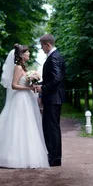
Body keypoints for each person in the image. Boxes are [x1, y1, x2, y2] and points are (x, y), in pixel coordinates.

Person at [0, 44, 49, 169]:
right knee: (18, 126)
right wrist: (29, 87)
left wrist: (33, 85)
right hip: (20, 99)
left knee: (28, 126)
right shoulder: (18, 68)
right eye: (27, 52)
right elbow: (14, 85)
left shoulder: (24, 68)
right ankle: (14, 157)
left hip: (27, 99)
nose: (29, 54)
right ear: (21, 55)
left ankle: (27, 155)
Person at [35, 34, 66, 167]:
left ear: (48, 44)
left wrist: (43, 88)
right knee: (51, 128)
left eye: (42, 46)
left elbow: (57, 79)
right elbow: (53, 79)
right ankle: (54, 157)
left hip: (53, 98)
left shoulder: (53, 58)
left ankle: (54, 158)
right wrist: (41, 84)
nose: (42, 49)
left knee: (52, 129)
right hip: (54, 98)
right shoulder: (56, 56)